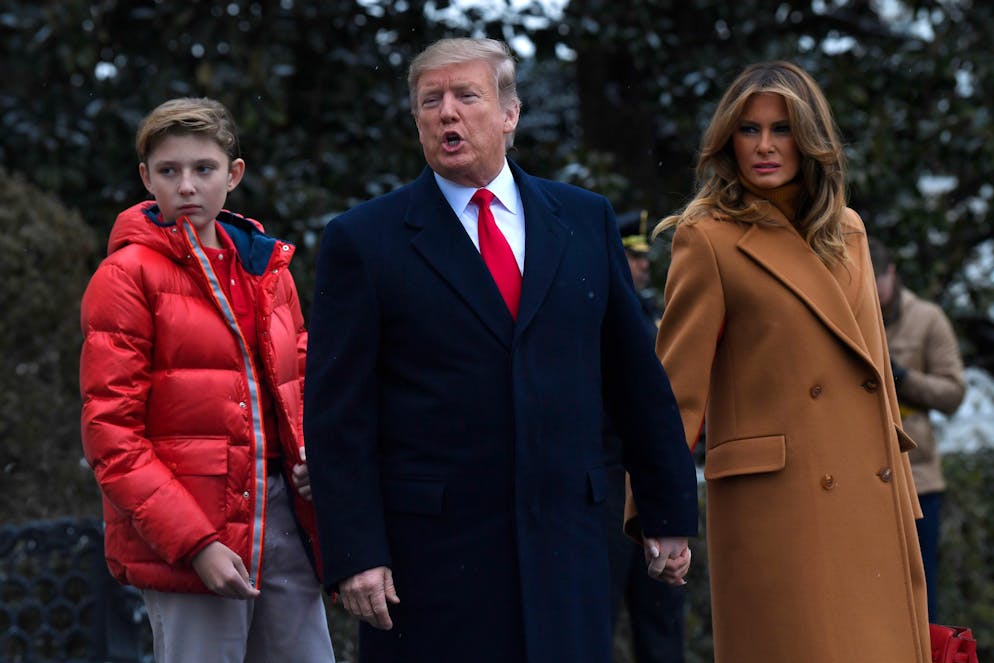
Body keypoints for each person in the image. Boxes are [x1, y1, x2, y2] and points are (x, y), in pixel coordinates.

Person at [303, 37, 698, 663]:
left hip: (566, 545)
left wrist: (667, 509)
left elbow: (634, 380)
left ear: (509, 113)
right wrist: (355, 554)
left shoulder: (583, 219)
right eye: (429, 100)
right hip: (429, 563)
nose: (446, 113)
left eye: (466, 96)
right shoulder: (364, 240)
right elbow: (336, 417)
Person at [625, 61, 930, 662]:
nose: (764, 146)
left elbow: (875, 378)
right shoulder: (706, 237)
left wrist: (903, 499)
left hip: (870, 494)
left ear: (811, 138)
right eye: (748, 130)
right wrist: (658, 511)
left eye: (783, 129)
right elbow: (673, 392)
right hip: (780, 507)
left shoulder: (849, 231)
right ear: (727, 140)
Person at [79, 97, 335, 663]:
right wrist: (196, 544)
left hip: (284, 516)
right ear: (147, 178)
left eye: (203, 169)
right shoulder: (125, 276)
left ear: (234, 174)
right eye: (169, 172)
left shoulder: (269, 269)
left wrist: (322, 455)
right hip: (188, 528)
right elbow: (111, 436)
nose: (187, 186)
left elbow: (303, 388)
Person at [869, 237, 966, 622]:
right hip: (864, 480)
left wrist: (904, 378)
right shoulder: (848, 317)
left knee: (920, 600)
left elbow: (954, 392)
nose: (872, 297)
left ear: (891, 273)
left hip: (920, 480)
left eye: (876, 285)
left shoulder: (928, 319)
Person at [605, 212, 687, 662]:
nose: (642, 265)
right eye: (632, 256)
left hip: (652, 481)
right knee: (600, 611)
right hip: (611, 480)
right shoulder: (594, 312)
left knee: (661, 615)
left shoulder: (653, 314)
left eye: (642, 257)